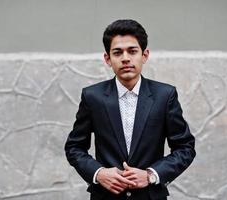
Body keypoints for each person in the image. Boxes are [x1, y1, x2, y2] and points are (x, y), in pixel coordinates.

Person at [64, 19, 196, 200]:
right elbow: (74, 147)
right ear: (107, 59)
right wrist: (99, 173)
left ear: (145, 55)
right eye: (117, 53)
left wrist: (151, 174)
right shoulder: (92, 97)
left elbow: (185, 147)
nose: (125, 58)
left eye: (132, 51)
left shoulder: (164, 95)